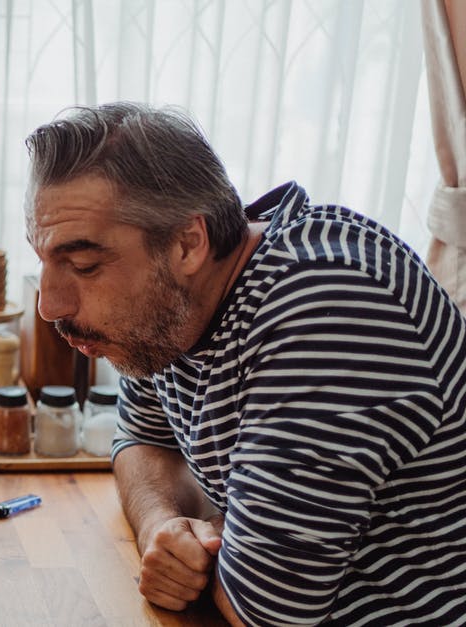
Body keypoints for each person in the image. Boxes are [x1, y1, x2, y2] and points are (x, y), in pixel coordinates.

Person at [24, 102, 466, 626]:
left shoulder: (328, 309)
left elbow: (266, 608)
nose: (48, 306)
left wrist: (213, 543)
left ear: (188, 242)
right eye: (44, 260)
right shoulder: (173, 313)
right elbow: (140, 439)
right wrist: (163, 526)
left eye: (83, 265)